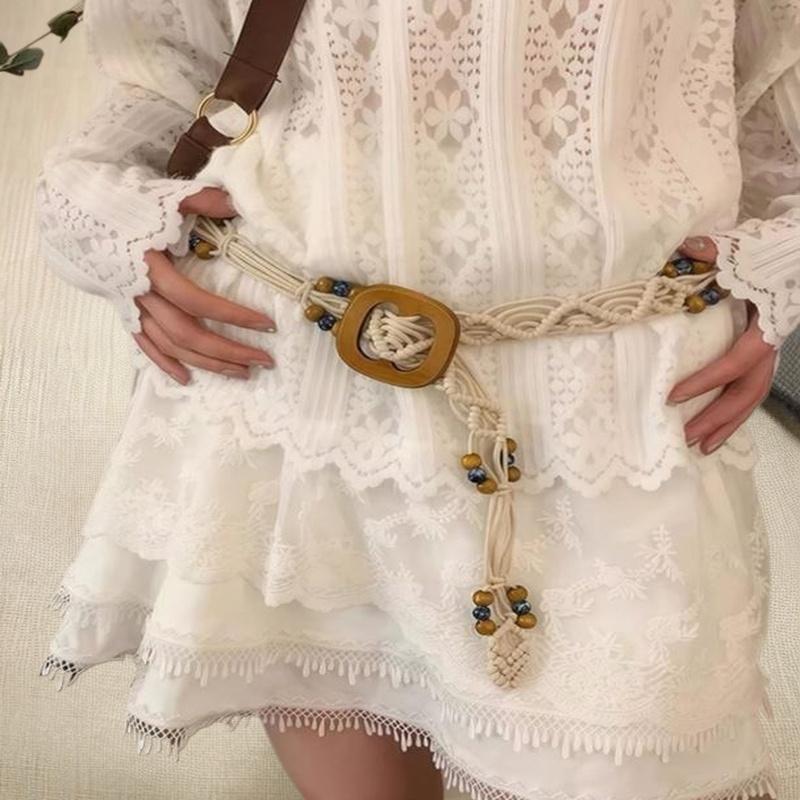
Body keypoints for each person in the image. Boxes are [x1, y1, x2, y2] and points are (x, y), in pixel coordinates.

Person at [34, 1, 799, 798]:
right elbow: (166, 71)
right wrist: (99, 213)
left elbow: (776, 102)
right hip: (304, 396)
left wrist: (779, 264)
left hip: (615, 421)